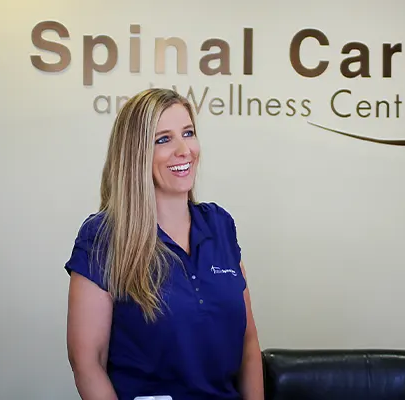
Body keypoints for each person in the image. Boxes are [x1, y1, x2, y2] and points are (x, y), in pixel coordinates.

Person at [63, 88, 264, 400]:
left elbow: (248, 343)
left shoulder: (220, 225)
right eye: (163, 139)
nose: (184, 149)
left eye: (188, 133)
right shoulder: (102, 237)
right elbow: (88, 362)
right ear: (137, 153)